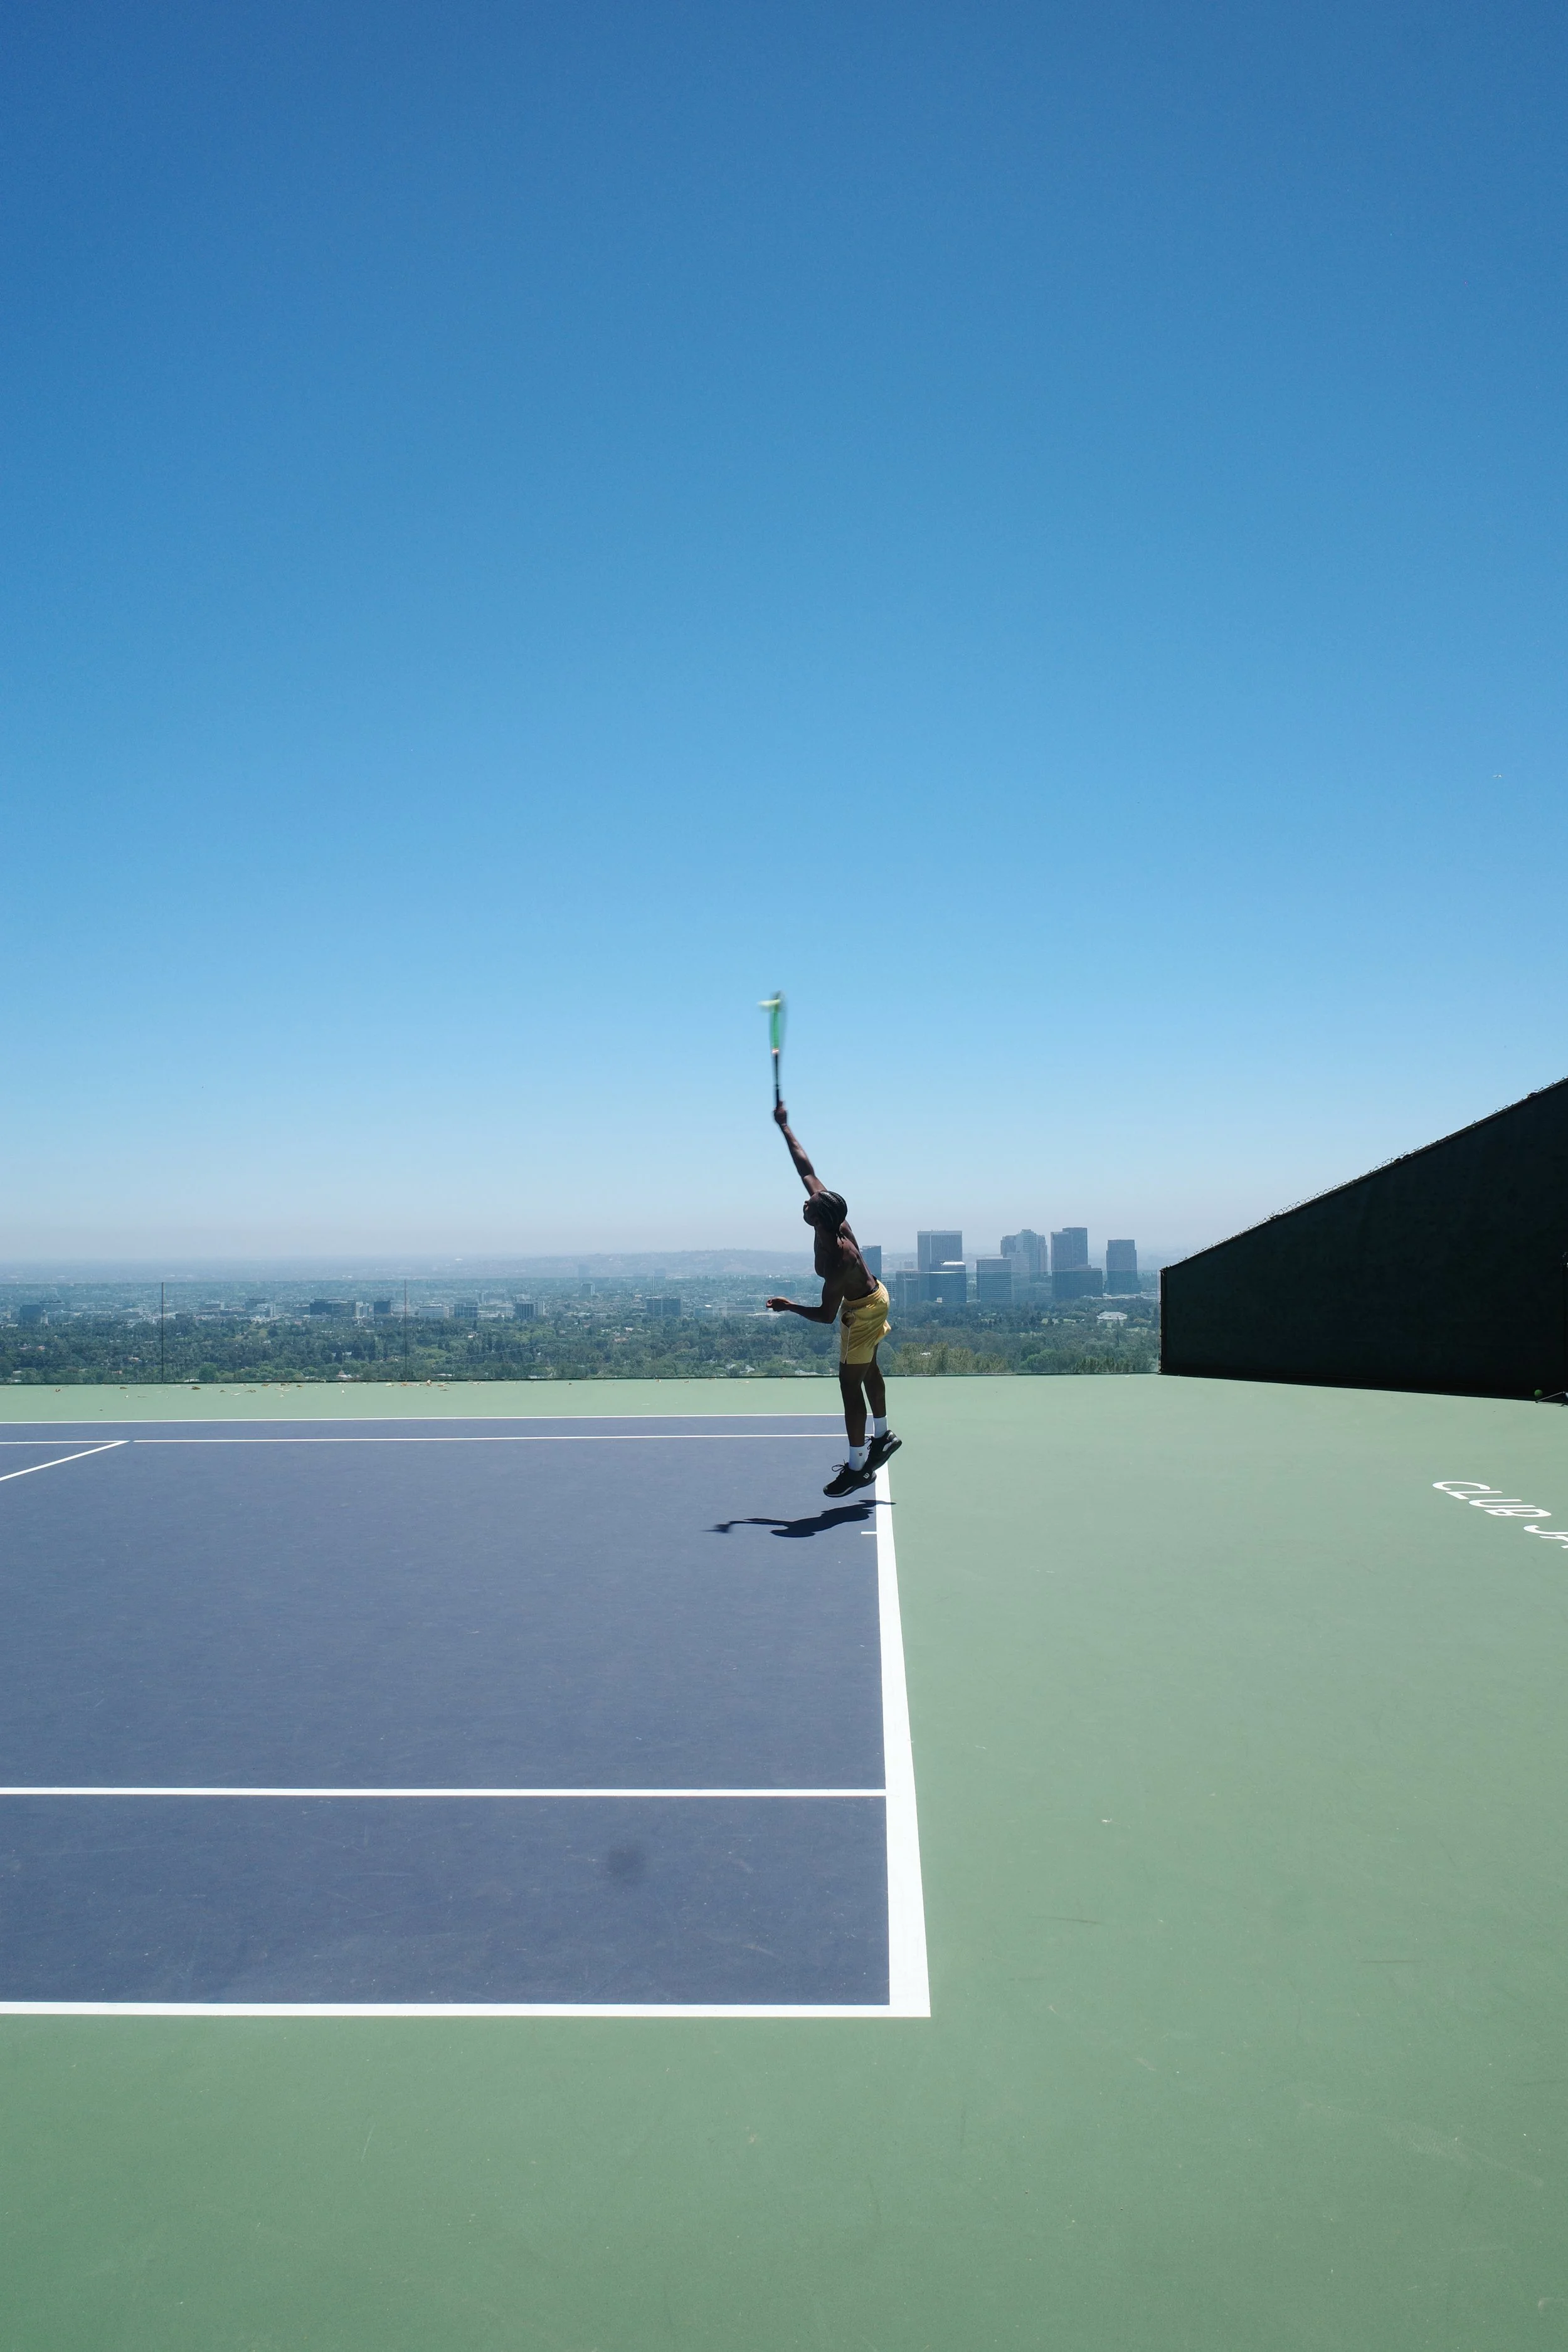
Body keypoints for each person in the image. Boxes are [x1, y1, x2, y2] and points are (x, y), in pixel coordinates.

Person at [765, 1100, 901, 1496]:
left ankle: (858, 1468)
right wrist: (785, 1128)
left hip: (860, 1312)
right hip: (877, 1297)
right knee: (869, 1369)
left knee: (849, 1387)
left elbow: (827, 1316)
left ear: (819, 1219)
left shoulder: (836, 1260)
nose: (805, 1201)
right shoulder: (832, 1215)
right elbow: (806, 1170)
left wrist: (789, 1307)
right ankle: (883, 1434)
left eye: (809, 1205)